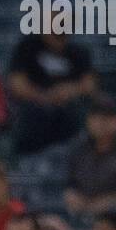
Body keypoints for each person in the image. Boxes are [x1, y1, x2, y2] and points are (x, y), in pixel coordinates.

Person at [6, 25, 97, 154]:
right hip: (34, 108)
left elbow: (90, 84)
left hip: (68, 109)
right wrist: (45, 96)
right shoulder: (28, 47)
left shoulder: (78, 52)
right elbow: (16, 83)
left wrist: (71, 90)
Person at [64, 94, 116, 218]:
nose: (101, 122)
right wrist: (71, 194)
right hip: (83, 215)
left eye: (107, 117)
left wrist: (111, 200)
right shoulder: (79, 150)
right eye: (96, 117)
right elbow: (71, 183)